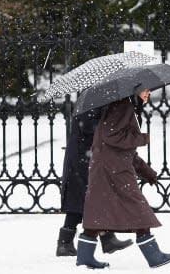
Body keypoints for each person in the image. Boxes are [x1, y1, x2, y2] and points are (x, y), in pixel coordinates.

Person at [76, 89, 170, 269]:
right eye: (144, 90)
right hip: (113, 170)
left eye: (149, 90)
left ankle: (85, 257)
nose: (148, 93)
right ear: (134, 90)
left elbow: (125, 150)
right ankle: (154, 256)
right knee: (138, 209)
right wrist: (142, 138)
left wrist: (146, 171)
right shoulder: (123, 105)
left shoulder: (126, 105)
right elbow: (112, 136)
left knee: (99, 212)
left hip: (110, 167)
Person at [56, 106, 133, 256]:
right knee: (81, 199)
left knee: (94, 198)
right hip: (81, 158)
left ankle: (106, 238)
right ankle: (65, 243)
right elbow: (89, 127)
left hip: (87, 156)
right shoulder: (90, 105)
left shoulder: (96, 102)